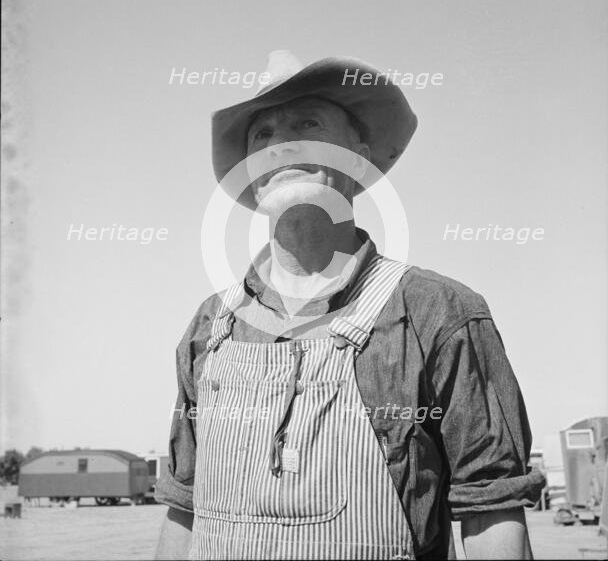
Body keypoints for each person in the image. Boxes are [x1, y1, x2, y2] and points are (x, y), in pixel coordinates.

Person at [155, 52, 544, 560]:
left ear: (358, 156)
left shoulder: (438, 313)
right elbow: (183, 507)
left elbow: (491, 507)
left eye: (307, 123)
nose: (280, 146)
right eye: (263, 134)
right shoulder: (211, 326)